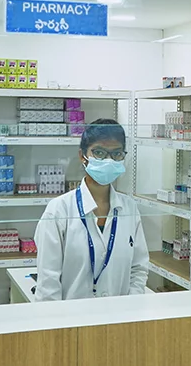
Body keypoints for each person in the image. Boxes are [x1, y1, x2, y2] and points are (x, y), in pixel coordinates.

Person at [34, 119, 149, 301]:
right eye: (99, 153)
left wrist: (131, 308)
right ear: (82, 156)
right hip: (72, 316)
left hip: (121, 315)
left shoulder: (129, 208)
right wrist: (56, 319)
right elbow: (48, 283)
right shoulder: (59, 210)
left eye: (116, 153)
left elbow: (138, 268)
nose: (109, 160)